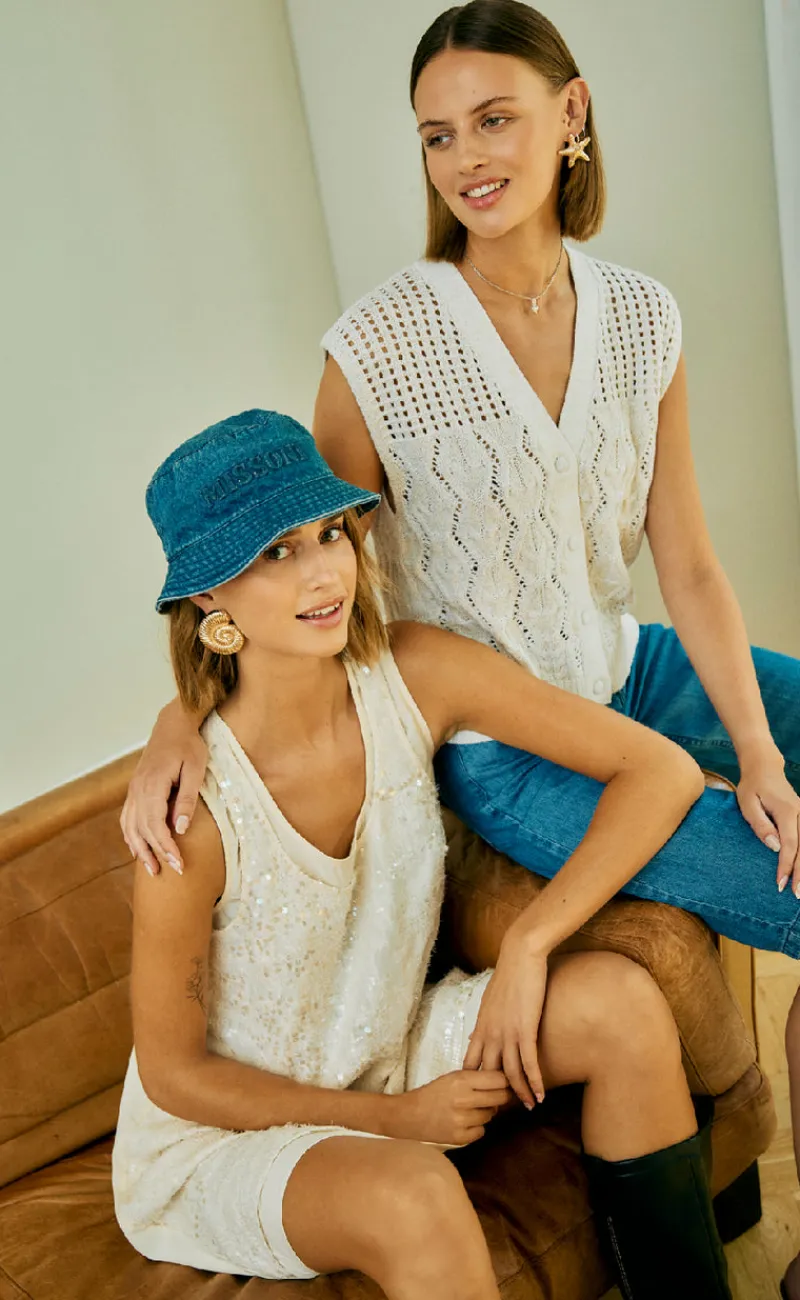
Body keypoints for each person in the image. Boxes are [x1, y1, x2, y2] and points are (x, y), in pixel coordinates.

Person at [113, 406, 732, 1299]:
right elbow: (177, 1078)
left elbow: (660, 771)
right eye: (276, 553)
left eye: (329, 533)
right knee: (415, 1195)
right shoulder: (189, 815)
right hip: (224, 1137)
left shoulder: (417, 674)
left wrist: (531, 943)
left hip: (393, 1047)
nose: (324, 571)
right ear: (209, 596)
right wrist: (392, 1119)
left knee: (622, 1005)